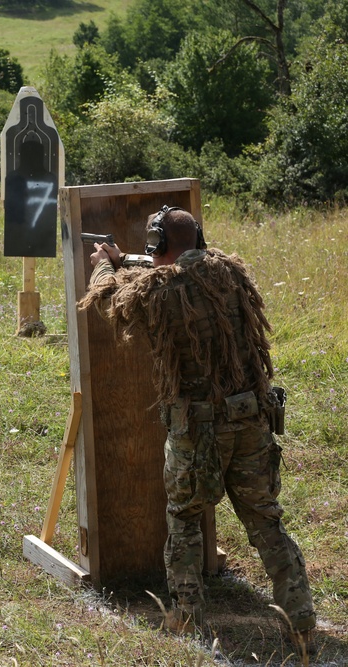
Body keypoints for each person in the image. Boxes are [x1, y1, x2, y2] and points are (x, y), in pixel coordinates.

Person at [79, 206, 316, 652]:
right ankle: (301, 621)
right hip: (250, 420)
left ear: (157, 245)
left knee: (185, 519)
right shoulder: (229, 272)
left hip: (198, 429)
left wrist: (105, 266)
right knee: (267, 523)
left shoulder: (160, 288)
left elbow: (111, 300)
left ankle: (188, 619)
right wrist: (130, 258)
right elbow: (174, 268)